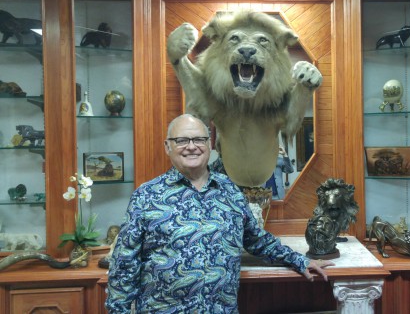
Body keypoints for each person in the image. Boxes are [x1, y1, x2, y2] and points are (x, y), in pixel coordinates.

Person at [106, 114, 333, 313]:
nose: (191, 146)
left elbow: (256, 239)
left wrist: (299, 260)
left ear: (209, 144)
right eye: (182, 140)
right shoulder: (146, 196)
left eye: (199, 139)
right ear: (168, 146)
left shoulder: (230, 190)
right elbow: (124, 266)